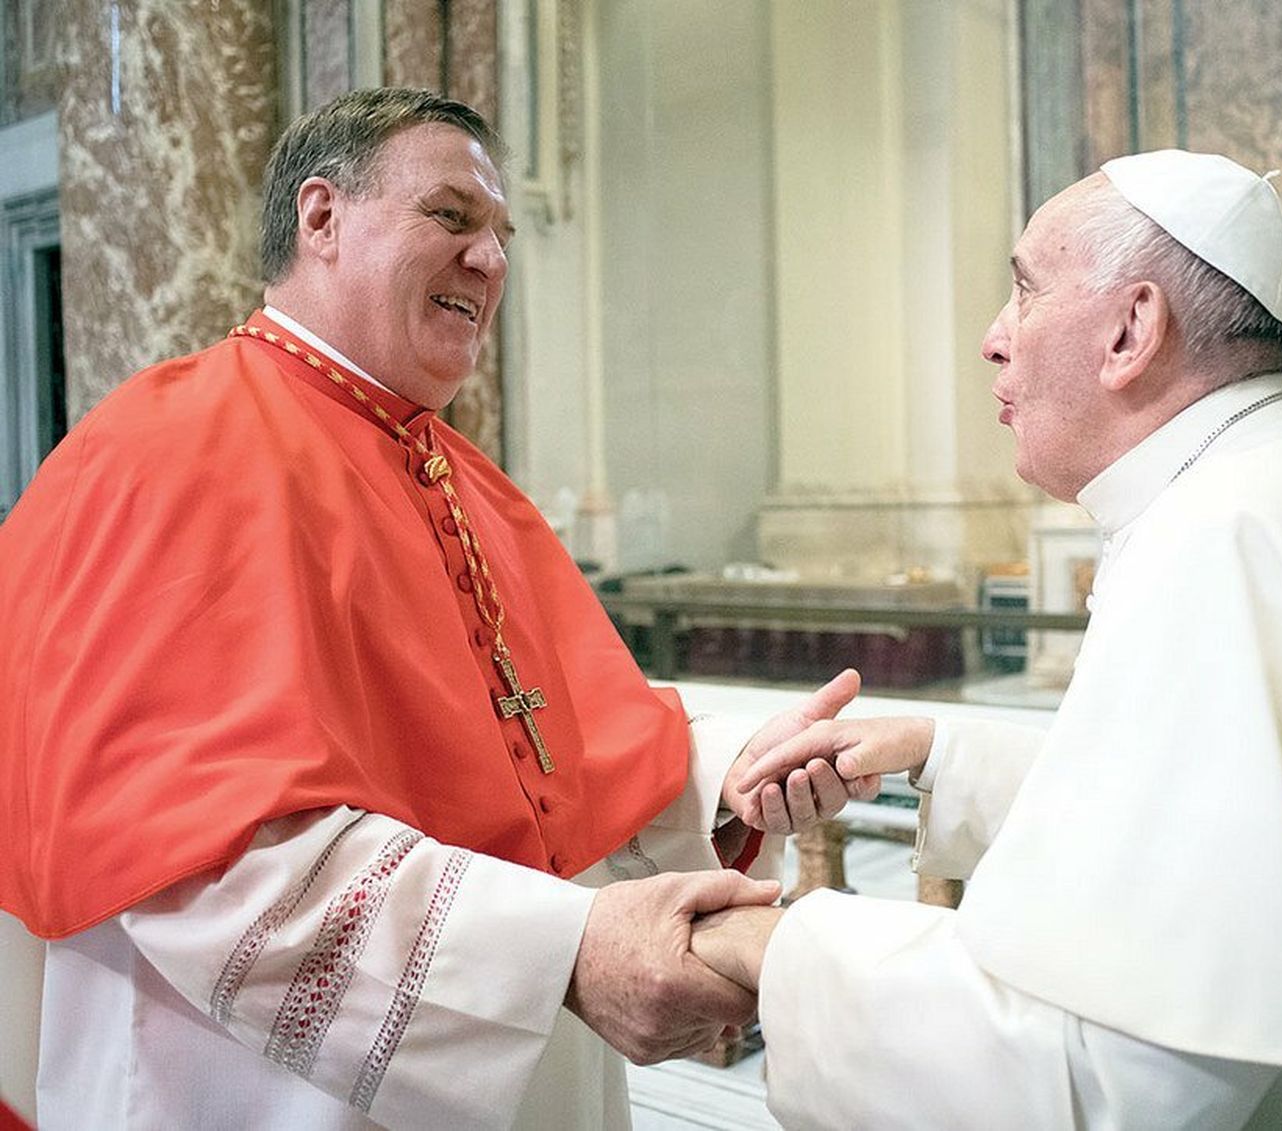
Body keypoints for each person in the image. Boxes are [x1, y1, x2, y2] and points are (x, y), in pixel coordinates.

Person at [0, 88, 870, 1129]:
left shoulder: (461, 479)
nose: (492, 260)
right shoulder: (169, 449)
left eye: (500, 234)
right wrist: (562, 949)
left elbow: (560, 747)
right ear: (319, 219)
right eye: (451, 218)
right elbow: (198, 855)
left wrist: (723, 774)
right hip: (253, 1080)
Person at [698, 151, 1282, 1129]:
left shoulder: (1221, 536)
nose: (992, 341)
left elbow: (1103, 1083)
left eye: (1023, 292)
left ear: (1131, 330)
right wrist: (938, 753)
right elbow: (1234, 806)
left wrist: (773, 952)